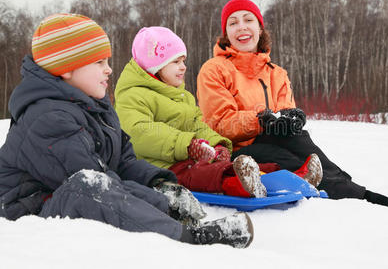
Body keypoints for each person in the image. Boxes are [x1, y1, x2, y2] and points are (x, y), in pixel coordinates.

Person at [0, 13, 254, 248]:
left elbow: (123, 162)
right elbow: (96, 183)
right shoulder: (47, 119)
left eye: (108, 61)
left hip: (66, 199)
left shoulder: (96, 107)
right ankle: (187, 240)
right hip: (29, 216)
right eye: (99, 62)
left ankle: (169, 223)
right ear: (66, 69)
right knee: (88, 185)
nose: (109, 69)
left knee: (97, 185)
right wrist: (160, 204)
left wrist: (162, 187)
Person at [196, 0, 388, 209]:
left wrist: (291, 118)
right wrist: (261, 120)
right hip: (237, 151)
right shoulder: (214, 69)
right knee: (284, 158)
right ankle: (354, 195)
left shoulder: (276, 73)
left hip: (274, 140)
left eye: (248, 20)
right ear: (226, 33)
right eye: (233, 23)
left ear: (260, 28)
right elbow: (219, 123)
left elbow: (284, 111)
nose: (241, 27)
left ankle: (353, 190)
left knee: (300, 138)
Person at [114, 26, 268, 199]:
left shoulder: (181, 96)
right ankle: (240, 185)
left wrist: (217, 145)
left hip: (185, 160)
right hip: (159, 168)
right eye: (175, 62)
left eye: (183, 61)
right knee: (201, 175)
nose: (183, 67)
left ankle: (267, 176)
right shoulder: (133, 95)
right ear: (154, 66)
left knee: (221, 167)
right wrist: (186, 145)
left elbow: (196, 125)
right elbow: (139, 132)